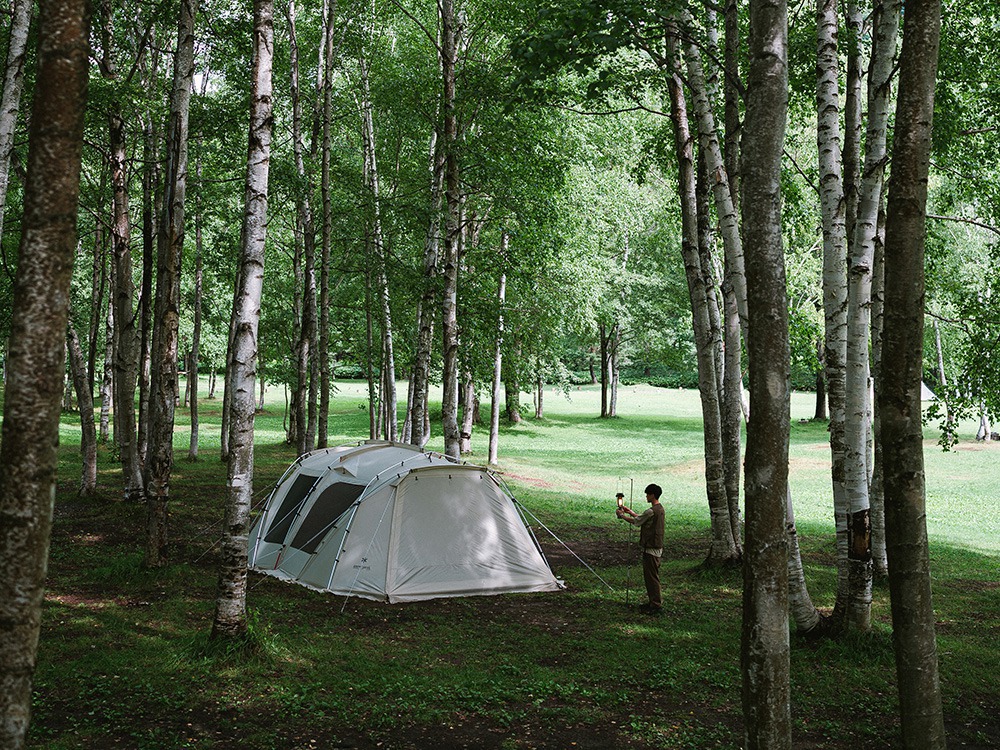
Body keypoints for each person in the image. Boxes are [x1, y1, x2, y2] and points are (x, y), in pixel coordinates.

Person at [615, 483, 665, 615]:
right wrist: (630, 512)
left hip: (651, 549)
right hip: (656, 548)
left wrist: (622, 516)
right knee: (651, 577)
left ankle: (656, 605)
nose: (646, 496)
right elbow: (642, 518)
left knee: (652, 578)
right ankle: (653, 602)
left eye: (647, 494)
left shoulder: (651, 511)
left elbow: (637, 522)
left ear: (652, 495)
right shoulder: (659, 509)